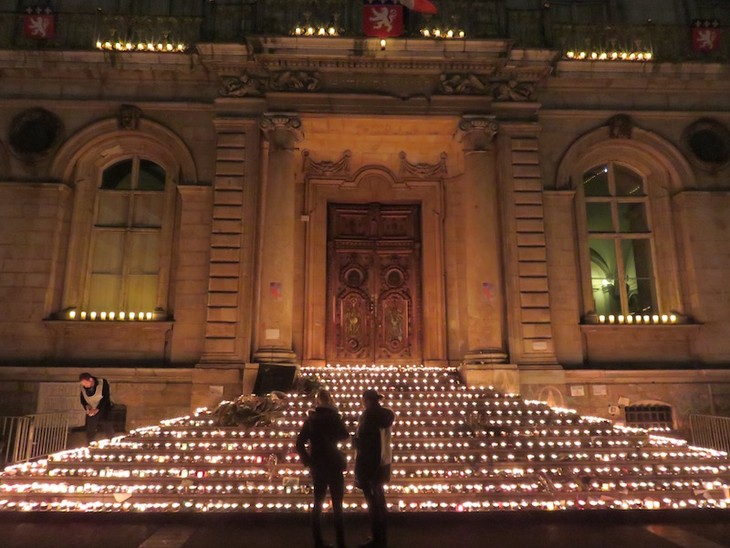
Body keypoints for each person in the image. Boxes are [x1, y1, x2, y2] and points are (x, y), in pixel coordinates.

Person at [296, 389, 349, 548]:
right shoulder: (335, 418)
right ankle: (341, 542)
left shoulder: (311, 420)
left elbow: (299, 444)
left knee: (318, 502)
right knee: (338, 504)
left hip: (318, 463)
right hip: (334, 462)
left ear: (317, 402)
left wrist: (308, 460)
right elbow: (345, 435)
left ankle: (318, 541)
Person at [353, 389, 395, 548]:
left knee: (373, 504)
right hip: (383, 462)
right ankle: (382, 537)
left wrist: (354, 442)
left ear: (367, 400)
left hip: (369, 465)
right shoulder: (386, 415)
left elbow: (363, 443)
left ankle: (376, 539)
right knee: (380, 501)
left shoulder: (367, 416)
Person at [79, 372, 114, 444]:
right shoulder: (83, 387)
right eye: (83, 384)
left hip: (104, 409)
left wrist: (98, 409)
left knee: (107, 427)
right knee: (90, 430)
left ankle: (112, 444)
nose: (84, 385)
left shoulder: (103, 383)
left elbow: (105, 398)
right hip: (91, 410)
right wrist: (87, 407)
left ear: (91, 380)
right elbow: (82, 399)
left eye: (86, 383)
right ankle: (90, 445)